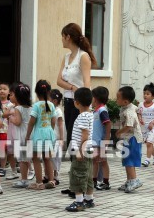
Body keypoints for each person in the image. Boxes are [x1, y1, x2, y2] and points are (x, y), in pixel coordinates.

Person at [57, 22, 96, 196]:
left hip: (80, 104)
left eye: (63, 36)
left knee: (80, 140)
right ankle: (75, 183)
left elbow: (87, 83)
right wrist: (72, 88)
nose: (62, 40)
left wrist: (82, 100)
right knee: (72, 140)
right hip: (68, 101)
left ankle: (81, 184)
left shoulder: (83, 56)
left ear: (68, 37)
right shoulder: (66, 57)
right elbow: (59, 81)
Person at [65, 87, 94, 212]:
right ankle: (89, 199)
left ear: (76, 102)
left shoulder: (82, 116)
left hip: (82, 150)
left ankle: (79, 202)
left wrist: (79, 151)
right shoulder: (90, 114)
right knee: (87, 175)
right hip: (88, 149)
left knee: (77, 175)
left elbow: (84, 135)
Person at [25, 80, 56, 190]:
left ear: (36, 92)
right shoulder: (52, 105)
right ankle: (51, 181)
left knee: (36, 158)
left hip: (39, 134)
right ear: (49, 92)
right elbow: (53, 121)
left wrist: (27, 135)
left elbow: (32, 122)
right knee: (47, 158)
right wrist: (50, 131)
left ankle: (39, 183)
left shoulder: (36, 106)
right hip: (49, 133)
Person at [116, 86, 143, 193]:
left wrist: (118, 132)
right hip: (128, 138)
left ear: (125, 101)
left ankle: (134, 180)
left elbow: (129, 126)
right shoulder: (128, 107)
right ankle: (129, 180)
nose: (116, 100)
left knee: (130, 159)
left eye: (118, 98)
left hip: (133, 138)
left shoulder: (128, 112)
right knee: (126, 159)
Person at [8, 83, 33, 188]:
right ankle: (27, 176)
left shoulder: (18, 108)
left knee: (22, 160)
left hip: (21, 136)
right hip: (30, 135)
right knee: (27, 158)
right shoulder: (31, 107)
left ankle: (24, 179)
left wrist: (11, 118)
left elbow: (18, 122)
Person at [91, 86, 111, 190]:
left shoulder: (102, 110)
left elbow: (108, 124)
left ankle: (106, 182)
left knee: (103, 161)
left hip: (101, 142)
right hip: (95, 142)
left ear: (96, 98)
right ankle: (93, 181)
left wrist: (106, 141)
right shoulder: (96, 111)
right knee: (94, 160)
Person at [0, 82, 17, 178]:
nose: (2, 91)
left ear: (9, 92)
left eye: (4, 89)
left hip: (7, 131)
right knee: (0, 150)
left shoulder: (11, 104)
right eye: (0, 89)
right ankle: (1, 168)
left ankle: (8, 169)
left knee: (8, 152)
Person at [138, 83, 154, 167]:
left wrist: (152, 123)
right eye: (144, 93)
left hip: (153, 128)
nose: (145, 95)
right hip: (144, 127)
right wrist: (140, 119)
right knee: (149, 143)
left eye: (147, 94)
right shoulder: (140, 105)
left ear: (153, 96)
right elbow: (139, 113)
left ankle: (147, 160)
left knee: (148, 143)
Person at [45, 89, 65, 185]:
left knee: (56, 158)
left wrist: (61, 138)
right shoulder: (48, 110)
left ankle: (56, 176)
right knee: (48, 157)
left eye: (48, 99)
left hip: (56, 138)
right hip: (48, 137)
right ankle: (48, 175)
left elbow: (60, 125)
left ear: (54, 101)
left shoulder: (58, 111)